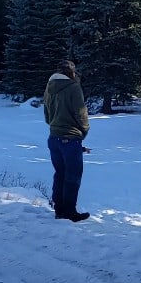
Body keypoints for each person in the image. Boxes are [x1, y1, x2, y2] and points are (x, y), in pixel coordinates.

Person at [43, 60, 91, 222]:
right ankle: (69, 211)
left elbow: (47, 114)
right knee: (73, 175)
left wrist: (56, 126)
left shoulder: (49, 87)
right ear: (71, 72)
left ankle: (59, 210)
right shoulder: (73, 87)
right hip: (70, 139)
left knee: (60, 174)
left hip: (53, 137)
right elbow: (81, 113)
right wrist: (83, 131)